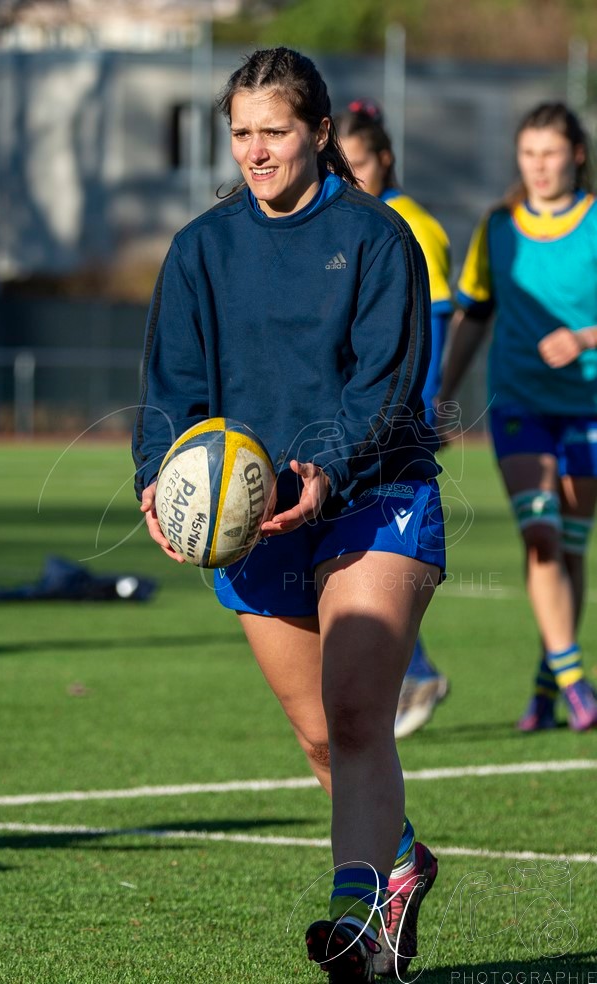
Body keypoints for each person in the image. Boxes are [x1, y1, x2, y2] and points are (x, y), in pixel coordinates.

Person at [133, 47, 445, 980]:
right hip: (249, 515)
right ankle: (399, 865)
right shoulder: (200, 248)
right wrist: (160, 478)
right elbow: (171, 389)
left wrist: (321, 473)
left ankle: (353, 923)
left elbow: (387, 390)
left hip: (371, 496)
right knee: (317, 734)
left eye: (274, 132)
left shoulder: (379, 239)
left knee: (354, 715)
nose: (255, 152)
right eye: (240, 135)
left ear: (318, 132)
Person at [437, 101, 597, 733]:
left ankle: (546, 683)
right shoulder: (497, 227)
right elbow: (474, 313)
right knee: (541, 536)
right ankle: (577, 682)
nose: (538, 166)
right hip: (520, 407)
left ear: (576, 155)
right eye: (528, 153)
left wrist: (586, 339)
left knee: (573, 547)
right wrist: (442, 393)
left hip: (587, 408)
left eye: (550, 153)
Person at [336, 101, 451, 740]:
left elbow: (427, 332)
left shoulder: (411, 226)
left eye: (359, 164)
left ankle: (418, 670)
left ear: (385, 160)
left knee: (370, 559)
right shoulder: (358, 219)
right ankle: (415, 671)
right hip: (359, 425)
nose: (350, 176)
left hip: (393, 434)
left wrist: (423, 414)